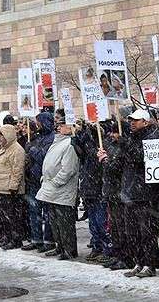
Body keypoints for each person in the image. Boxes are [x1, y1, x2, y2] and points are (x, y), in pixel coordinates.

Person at [119, 109, 159, 278]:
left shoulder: (151, 138)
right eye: (130, 120)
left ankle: (150, 264)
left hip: (145, 193)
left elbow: (141, 158)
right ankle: (139, 261)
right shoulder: (131, 138)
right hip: (130, 191)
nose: (132, 123)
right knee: (132, 232)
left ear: (145, 121)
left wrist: (125, 145)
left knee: (147, 232)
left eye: (136, 120)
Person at [36, 116, 80, 260]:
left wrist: (55, 182)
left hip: (62, 190)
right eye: (58, 125)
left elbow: (68, 169)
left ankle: (69, 249)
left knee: (64, 222)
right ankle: (59, 246)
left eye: (62, 125)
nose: (59, 127)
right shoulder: (57, 142)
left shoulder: (70, 144)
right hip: (51, 188)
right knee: (54, 221)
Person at [73, 122, 110, 263]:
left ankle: (106, 248)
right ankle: (97, 247)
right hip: (89, 187)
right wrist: (76, 136)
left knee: (101, 221)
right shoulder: (88, 145)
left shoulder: (100, 144)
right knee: (93, 222)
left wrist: (90, 133)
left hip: (98, 188)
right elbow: (80, 151)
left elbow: (92, 154)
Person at [97, 120, 132, 270]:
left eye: (115, 132)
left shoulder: (124, 147)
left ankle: (126, 256)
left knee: (122, 227)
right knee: (115, 227)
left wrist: (105, 160)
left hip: (120, 192)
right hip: (111, 191)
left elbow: (116, 168)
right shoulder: (111, 145)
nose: (112, 135)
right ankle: (117, 255)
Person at [0, 124, 26, 250]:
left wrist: (13, 187)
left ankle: (15, 240)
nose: (0, 138)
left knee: (12, 217)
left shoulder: (17, 150)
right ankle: (7, 237)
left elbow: (17, 170)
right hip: (0, 188)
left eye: (2, 135)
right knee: (4, 217)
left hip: (9, 190)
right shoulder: (3, 149)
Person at [22, 112, 56, 253]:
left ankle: (48, 240)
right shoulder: (37, 137)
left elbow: (44, 156)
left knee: (47, 212)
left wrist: (32, 149)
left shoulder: (51, 138)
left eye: (39, 122)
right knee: (34, 211)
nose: (37, 125)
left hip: (45, 179)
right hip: (33, 179)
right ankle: (37, 239)